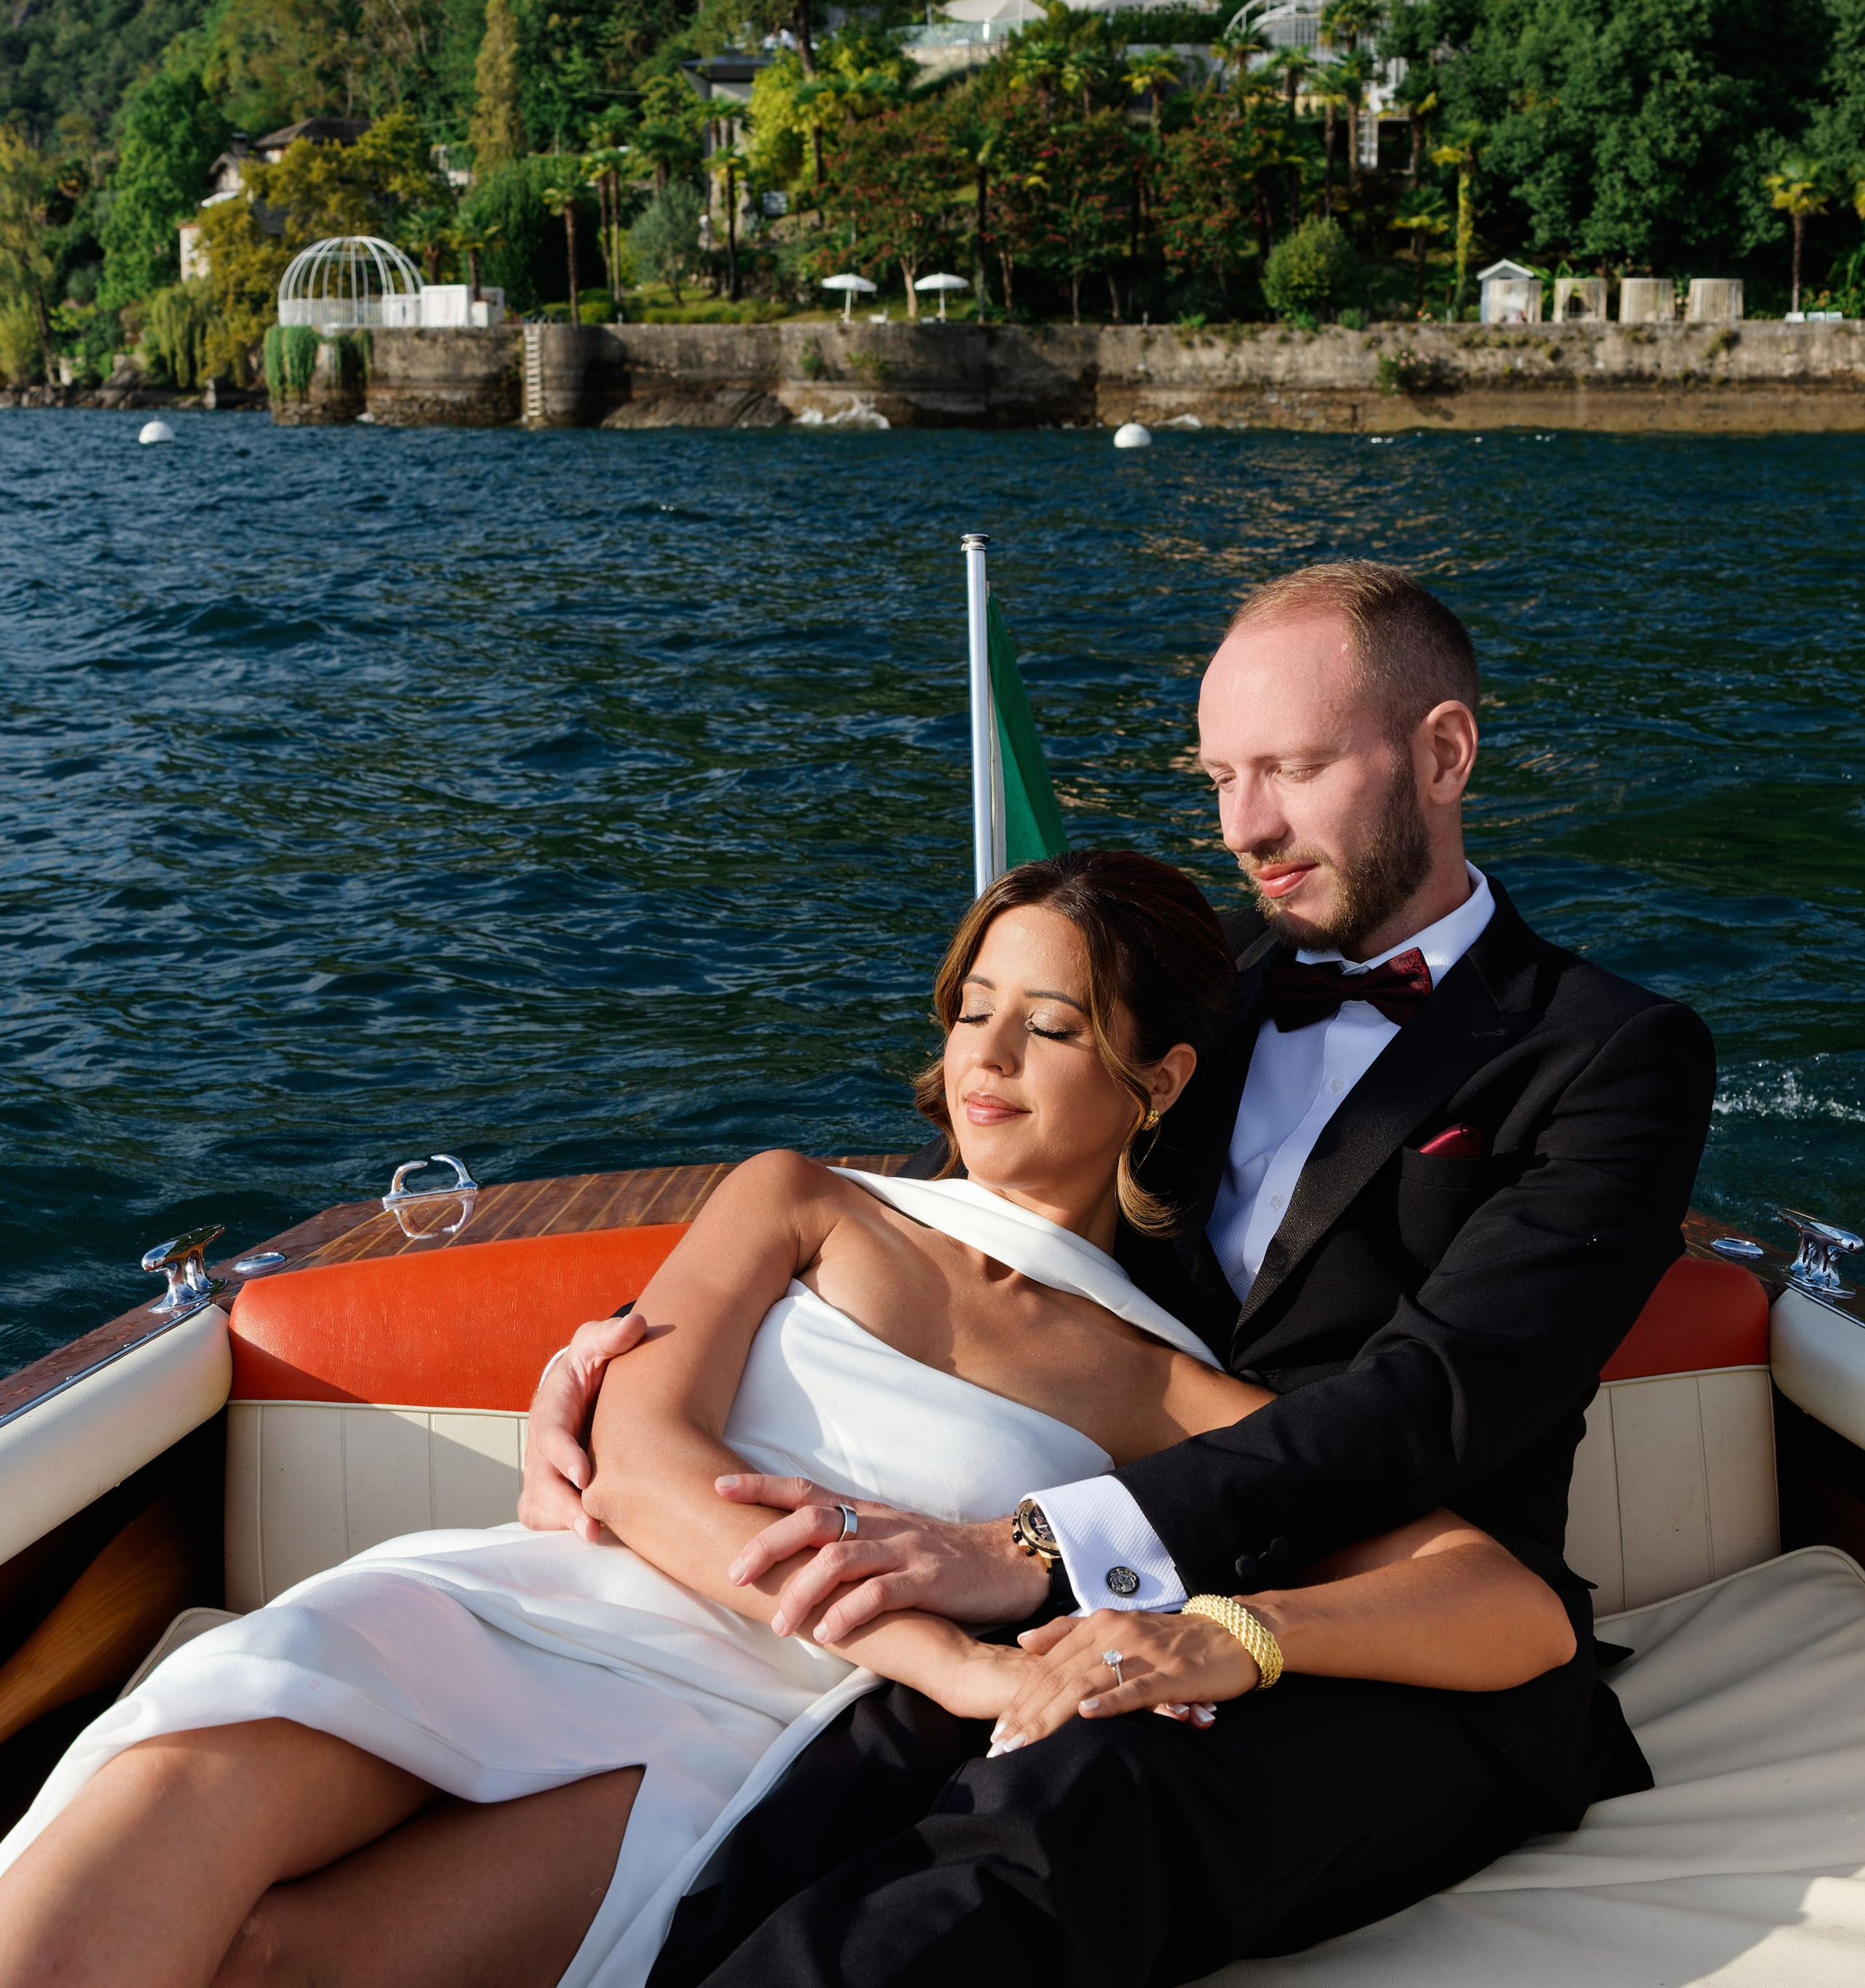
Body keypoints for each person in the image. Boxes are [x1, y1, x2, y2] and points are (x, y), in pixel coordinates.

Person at [0, 849, 1585, 1988]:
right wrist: (956, 1661)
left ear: (1158, 1080)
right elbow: (644, 1462)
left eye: (1052, 1024)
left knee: (285, 1963)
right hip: (546, 1599)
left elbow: (1506, 1613)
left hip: (752, 1732)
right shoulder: (802, 1202)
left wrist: (1227, 1637)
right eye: (974, 1008)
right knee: (166, 1803)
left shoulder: (1163, 1382)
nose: (987, 1058)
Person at [524, 559, 1716, 1988]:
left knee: (1048, 1830)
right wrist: (618, 1354)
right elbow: (982, 1197)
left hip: (1415, 1627)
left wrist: (1029, 1544)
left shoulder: (1608, 1055)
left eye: (1290, 768)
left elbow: (1438, 1396)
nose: (1245, 829)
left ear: (1442, 754)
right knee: (777, 1825)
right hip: (1095, 1578)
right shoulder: (1181, 979)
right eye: (1217, 776)